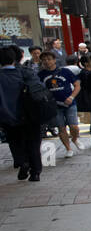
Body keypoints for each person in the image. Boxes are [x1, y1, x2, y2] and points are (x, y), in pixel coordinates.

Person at [1, 44, 44, 182]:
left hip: (9, 117)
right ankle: (35, 172)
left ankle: (22, 161)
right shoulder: (26, 72)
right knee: (33, 143)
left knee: (15, 142)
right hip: (31, 115)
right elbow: (39, 90)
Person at [37, 50, 82, 157]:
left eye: (49, 59)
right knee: (61, 127)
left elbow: (77, 85)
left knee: (74, 126)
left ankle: (75, 139)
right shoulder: (41, 75)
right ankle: (68, 148)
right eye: (44, 60)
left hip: (69, 103)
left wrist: (71, 97)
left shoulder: (65, 71)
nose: (47, 62)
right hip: (54, 106)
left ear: (54, 60)